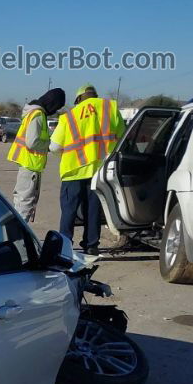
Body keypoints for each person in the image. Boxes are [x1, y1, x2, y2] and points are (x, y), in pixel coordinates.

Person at [50, 83, 125, 255]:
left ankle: (65, 247)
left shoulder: (69, 116)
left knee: (69, 211)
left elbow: (54, 147)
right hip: (99, 172)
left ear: (78, 99)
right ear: (95, 95)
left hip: (73, 171)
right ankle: (91, 246)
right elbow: (122, 137)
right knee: (93, 210)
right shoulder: (110, 108)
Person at [6, 87, 65, 222]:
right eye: (56, 107)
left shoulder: (34, 113)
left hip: (28, 165)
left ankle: (18, 236)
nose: (54, 111)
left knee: (22, 201)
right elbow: (32, 142)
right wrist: (49, 145)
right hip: (30, 165)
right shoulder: (38, 115)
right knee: (25, 204)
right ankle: (19, 238)